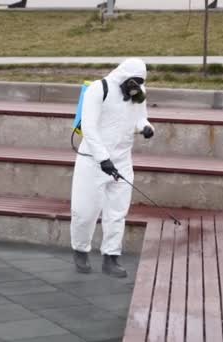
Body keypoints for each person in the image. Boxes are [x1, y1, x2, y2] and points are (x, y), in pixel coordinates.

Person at [70, 58, 154, 278]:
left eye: (139, 83)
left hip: (122, 160)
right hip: (92, 160)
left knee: (117, 212)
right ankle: (80, 250)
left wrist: (145, 128)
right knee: (85, 211)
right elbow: (89, 127)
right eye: (133, 82)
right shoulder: (99, 89)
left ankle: (111, 257)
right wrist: (103, 158)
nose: (135, 88)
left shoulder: (138, 92)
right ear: (123, 75)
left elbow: (140, 118)